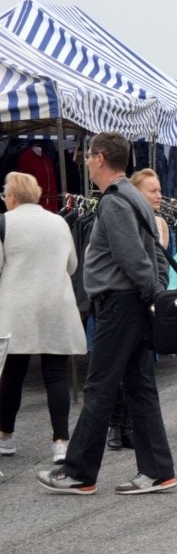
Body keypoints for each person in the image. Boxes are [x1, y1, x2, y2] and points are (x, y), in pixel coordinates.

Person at [37, 131, 175, 495]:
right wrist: (155, 293)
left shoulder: (116, 200)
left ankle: (79, 473)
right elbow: (152, 251)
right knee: (139, 386)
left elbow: (133, 256)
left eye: (87, 155)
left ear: (99, 158)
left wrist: (150, 294)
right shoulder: (132, 196)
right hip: (131, 301)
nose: (85, 160)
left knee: (99, 386)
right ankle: (157, 471)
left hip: (121, 303)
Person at [0, 172, 86, 465]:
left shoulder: (4, 223)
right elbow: (72, 265)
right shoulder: (59, 222)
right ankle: (60, 442)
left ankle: (6, 436)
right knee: (56, 375)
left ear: (12, 196)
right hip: (55, 305)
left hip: (17, 308)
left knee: (12, 375)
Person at [105, 168, 170, 452]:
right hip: (130, 299)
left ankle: (129, 428)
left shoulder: (158, 222)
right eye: (152, 190)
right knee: (123, 372)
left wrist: (160, 289)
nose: (158, 195)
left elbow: (160, 260)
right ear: (136, 194)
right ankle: (118, 427)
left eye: (158, 190)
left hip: (145, 299)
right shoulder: (125, 213)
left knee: (136, 373)